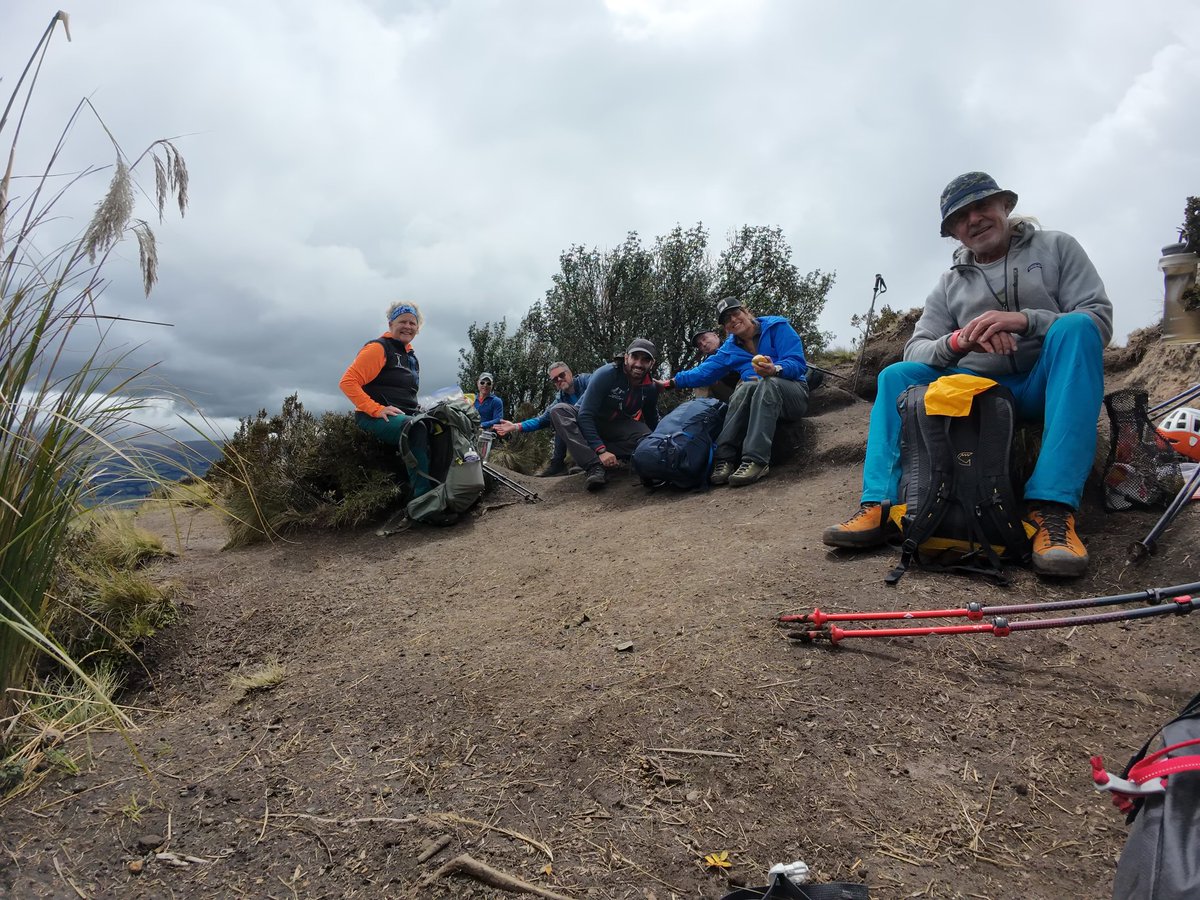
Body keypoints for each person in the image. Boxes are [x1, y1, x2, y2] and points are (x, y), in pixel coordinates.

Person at [821, 171, 1113, 577]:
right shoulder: (949, 283)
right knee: (895, 376)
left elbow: (1098, 320)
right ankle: (879, 505)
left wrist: (1024, 321)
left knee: (1076, 327)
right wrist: (959, 343)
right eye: (961, 217)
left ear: (1005, 206)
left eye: (982, 207)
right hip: (982, 394)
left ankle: (1052, 510)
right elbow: (917, 347)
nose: (974, 220)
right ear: (953, 233)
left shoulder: (1057, 247)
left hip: (1045, 381)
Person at [660, 298, 809, 486]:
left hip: (792, 392)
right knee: (744, 388)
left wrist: (776, 369)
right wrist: (670, 383)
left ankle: (755, 460)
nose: (733, 320)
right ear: (726, 328)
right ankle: (724, 459)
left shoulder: (777, 327)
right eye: (726, 319)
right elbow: (704, 372)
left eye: (735, 313)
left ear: (746, 312)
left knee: (768, 383)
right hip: (760, 398)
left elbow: (797, 363)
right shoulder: (730, 349)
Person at [339, 301, 431, 494]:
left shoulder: (411, 357)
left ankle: (443, 488)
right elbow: (348, 382)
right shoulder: (379, 348)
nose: (407, 326)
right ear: (391, 324)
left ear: (417, 328)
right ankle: (424, 501)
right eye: (402, 321)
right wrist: (376, 409)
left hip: (403, 415)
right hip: (373, 418)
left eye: (412, 323)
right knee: (415, 428)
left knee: (439, 425)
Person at [574, 339, 663, 491]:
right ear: (626, 357)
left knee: (648, 438)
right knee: (559, 411)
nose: (639, 364)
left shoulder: (650, 388)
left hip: (617, 426)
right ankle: (594, 466)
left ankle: (646, 466)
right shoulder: (606, 374)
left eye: (645, 359)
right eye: (635, 357)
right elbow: (585, 415)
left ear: (652, 363)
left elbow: (651, 419)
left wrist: (661, 443)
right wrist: (600, 450)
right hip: (591, 424)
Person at [492, 362, 592, 476]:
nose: (559, 379)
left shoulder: (586, 380)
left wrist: (573, 410)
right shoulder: (560, 399)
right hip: (581, 432)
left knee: (565, 414)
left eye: (562, 375)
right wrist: (515, 426)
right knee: (557, 416)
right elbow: (541, 420)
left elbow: (592, 393)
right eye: (555, 379)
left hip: (600, 426)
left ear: (570, 373)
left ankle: (585, 460)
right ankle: (558, 463)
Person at [690, 329, 740, 403]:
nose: (703, 344)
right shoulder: (707, 365)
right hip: (732, 396)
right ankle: (705, 409)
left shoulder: (734, 344)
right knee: (700, 378)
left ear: (715, 335)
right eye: (700, 344)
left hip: (752, 384)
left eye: (704, 339)